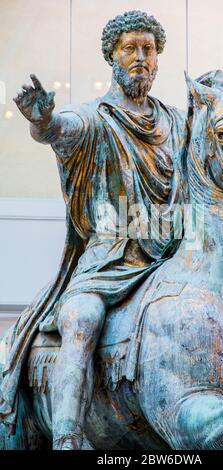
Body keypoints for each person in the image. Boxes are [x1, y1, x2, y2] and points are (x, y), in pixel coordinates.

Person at [0, 10, 186, 449]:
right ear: (112, 57)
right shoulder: (95, 117)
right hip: (110, 258)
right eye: (130, 49)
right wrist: (43, 122)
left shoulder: (179, 122)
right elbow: (64, 131)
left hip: (172, 255)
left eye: (149, 49)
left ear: (158, 59)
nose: (141, 57)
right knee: (81, 319)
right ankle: (66, 435)